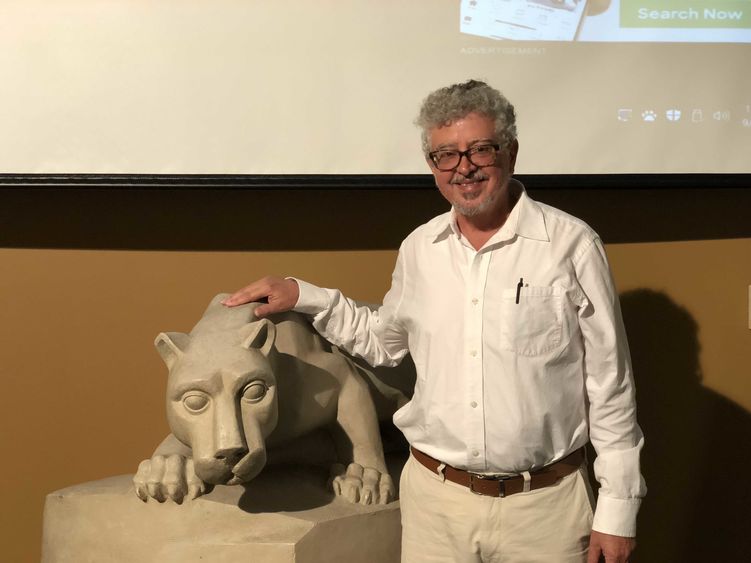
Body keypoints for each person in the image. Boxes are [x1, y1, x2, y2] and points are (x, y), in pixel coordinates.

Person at [222, 79, 645, 563]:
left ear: (510, 152)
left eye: (480, 149)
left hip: (546, 509)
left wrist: (618, 511)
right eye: (445, 155)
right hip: (435, 506)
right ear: (432, 165)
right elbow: (385, 344)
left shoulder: (572, 246)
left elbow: (610, 386)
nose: (463, 168)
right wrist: (305, 296)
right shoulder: (419, 249)